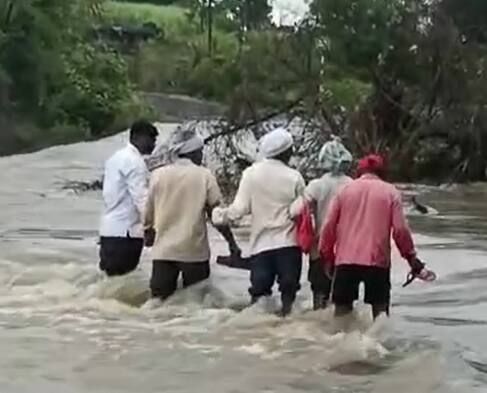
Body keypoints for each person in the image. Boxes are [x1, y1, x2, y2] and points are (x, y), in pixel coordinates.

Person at [320, 154, 426, 320]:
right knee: (380, 313)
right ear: (382, 172)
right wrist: (411, 257)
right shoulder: (391, 192)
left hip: (346, 261)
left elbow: (328, 227)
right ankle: (378, 343)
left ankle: (341, 343)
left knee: (341, 313)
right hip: (377, 261)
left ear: (359, 171)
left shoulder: (344, 191)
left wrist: (327, 256)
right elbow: (400, 230)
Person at [213, 127, 306, 317]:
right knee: (289, 298)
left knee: (258, 298)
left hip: (261, 247)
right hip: (289, 245)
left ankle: (258, 337)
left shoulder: (251, 174)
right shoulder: (294, 176)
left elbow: (239, 211)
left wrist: (219, 215)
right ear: (286, 152)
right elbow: (302, 210)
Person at [144, 125, 240, 301]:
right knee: (195, 306)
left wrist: (148, 232)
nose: (202, 156)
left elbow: (148, 210)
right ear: (193, 152)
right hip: (193, 252)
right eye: (200, 151)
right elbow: (215, 215)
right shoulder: (204, 175)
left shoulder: (158, 175)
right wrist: (232, 244)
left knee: (158, 304)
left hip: (164, 251)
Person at [290, 136, 353, 310]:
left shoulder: (317, 186)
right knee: (344, 300)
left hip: (320, 250)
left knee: (320, 295)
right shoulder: (353, 185)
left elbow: (294, 211)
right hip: (347, 250)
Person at [99, 120, 158, 276]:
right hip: (127, 233)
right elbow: (141, 199)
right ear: (139, 137)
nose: (154, 144)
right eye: (152, 139)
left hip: (108, 230)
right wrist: (150, 227)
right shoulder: (135, 163)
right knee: (123, 279)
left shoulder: (115, 158)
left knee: (111, 282)